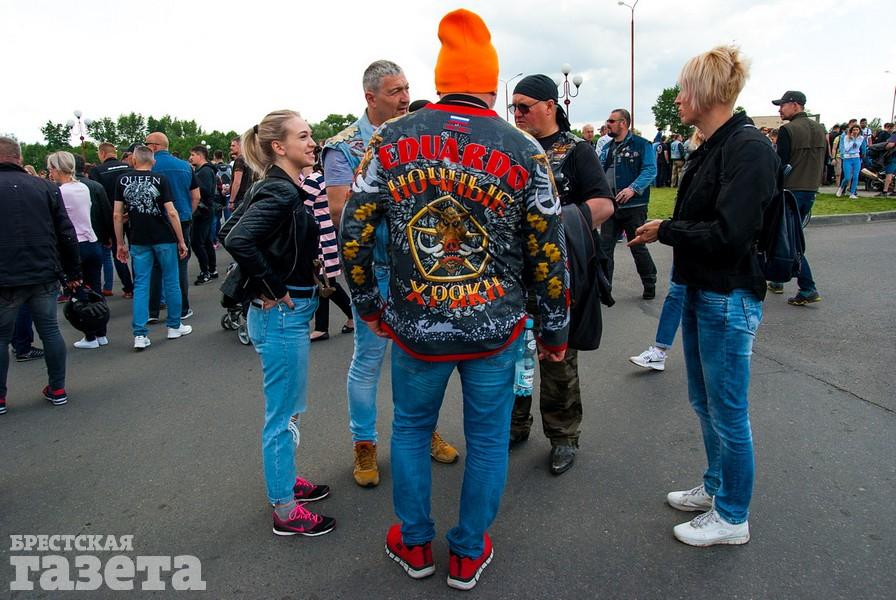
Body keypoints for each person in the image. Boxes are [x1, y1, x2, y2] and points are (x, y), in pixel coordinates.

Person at [341, 10, 569, 589]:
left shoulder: (390, 139)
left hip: (418, 326)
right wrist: (555, 329)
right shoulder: (523, 147)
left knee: (411, 430)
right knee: (487, 440)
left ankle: (415, 543)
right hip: (494, 328)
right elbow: (548, 248)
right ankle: (467, 552)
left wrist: (368, 305)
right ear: (490, 85)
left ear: (442, 80)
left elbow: (354, 232)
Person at [629, 45, 777, 547]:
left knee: (728, 412)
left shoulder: (747, 148)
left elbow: (730, 235)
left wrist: (667, 229)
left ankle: (732, 516)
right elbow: (704, 220)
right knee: (705, 402)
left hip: (727, 297)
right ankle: (715, 488)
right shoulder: (714, 145)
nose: (678, 99)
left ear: (708, 91)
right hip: (701, 290)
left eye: (684, 89)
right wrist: (668, 227)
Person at [322, 59, 458, 487]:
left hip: (420, 268)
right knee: (368, 360)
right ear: (371, 97)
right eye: (395, 91)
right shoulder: (344, 147)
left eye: (407, 89)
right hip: (376, 270)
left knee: (419, 359)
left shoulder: (419, 137)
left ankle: (421, 430)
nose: (405, 98)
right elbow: (340, 210)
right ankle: (364, 444)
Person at [224, 110, 334, 537]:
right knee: (283, 414)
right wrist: (272, 284)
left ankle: (285, 480)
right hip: (282, 314)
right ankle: (285, 508)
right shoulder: (280, 190)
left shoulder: (276, 185)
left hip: (286, 312)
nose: (312, 142)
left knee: (289, 409)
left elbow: (230, 229)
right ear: (279, 146)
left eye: (310, 135)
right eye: (303, 136)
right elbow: (236, 238)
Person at [508, 73, 614, 474]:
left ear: (551, 106)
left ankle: (564, 436)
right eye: (513, 107)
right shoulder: (512, 147)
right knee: (512, 357)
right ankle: (514, 425)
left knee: (557, 358)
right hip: (513, 276)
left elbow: (604, 204)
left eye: (525, 107)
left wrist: (559, 224)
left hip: (557, 274)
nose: (517, 114)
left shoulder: (576, 151)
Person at [0, 136, 81, 414]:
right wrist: (73, 271)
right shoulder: (45, 187)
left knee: (1, 337)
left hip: (5, 276)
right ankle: (57, 388)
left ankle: (0, 397)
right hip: (43, 270)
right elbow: (66, 232)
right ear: (19, 157)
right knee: (50, 331)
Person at [114, 146, 192, 350]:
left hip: (138, 238)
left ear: (133, 160)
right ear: (153, 161)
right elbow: (172, 212)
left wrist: (120, 242)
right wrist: (181, 240)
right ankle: (174, 325)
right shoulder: (160, 179)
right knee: (171, 280)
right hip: (163, 236)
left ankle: (140, 334)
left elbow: (117, 214)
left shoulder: (122, 180)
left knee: (141, 284)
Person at [768, 90, 827, 306]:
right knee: (787, 235)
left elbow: (780, 164)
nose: (780, 109)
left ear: (795, 105)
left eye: (782, 105)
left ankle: (808, 287)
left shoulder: (788, 130)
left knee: (790, 239)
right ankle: (777, 279)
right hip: (810, 189)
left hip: (790, 189)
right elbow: (825, 160)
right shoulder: (820, 129)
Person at [47, 151, 107, 349]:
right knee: (95, 289)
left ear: (57, 169)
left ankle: (90, 336)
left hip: (74, 245)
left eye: (51, 169)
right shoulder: (83, 187)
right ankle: (101, 333)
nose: (50, 173)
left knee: (78, 291)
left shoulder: (60, 192)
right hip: (91, 241)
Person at [599, 108, 659, 298]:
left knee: (637, 246)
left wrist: (633, 188)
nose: (608, 124)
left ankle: (649, 282)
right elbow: (600, 172)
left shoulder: (641, 145)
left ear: (623, 123)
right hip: (611, 205)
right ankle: (604, 288)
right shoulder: (607, 148)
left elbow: (650, 170)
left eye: (612, 121)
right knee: (605, 248)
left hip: (634, 206)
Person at [145, 132, 198, 322]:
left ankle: (153, 311)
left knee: (156, 266)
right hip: (182, 218)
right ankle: (183, 308)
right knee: (180, 264)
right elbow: (196, 196)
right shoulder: (185, 166)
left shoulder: (149, 167)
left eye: (146, 144)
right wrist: (188, 212)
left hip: (156, 220)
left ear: (154, 146)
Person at [303, 165, 354, 342]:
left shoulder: (313, 180)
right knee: (326, 282)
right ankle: (345, 319)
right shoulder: (319, 178)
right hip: (325, 236)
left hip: (320, 238)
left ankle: (323, 327)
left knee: (323, 282)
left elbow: (299, 208)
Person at [90, 143, 134, 298]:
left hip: (112, 217)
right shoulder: (128, 167)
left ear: (102, 153)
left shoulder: (97, 171)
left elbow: (97, 200)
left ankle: (128, 287)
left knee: (118, 251)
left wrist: (104, 228)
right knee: (136, 250)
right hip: (131, 214)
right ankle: (139, 283)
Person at [187, 145, 218, 285]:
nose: (190, 158)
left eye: (193, 155)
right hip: (205, 210)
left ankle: (206, 272)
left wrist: (193, 182)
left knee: (197, 242)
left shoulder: (205, 171)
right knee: (205, 241)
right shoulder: (205, 170)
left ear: (200, 156)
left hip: (203, 210)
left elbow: (204, 191)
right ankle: (212, 269)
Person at [228, 137, 256, 212]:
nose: (231, 148)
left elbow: (237, 182)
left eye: (233, 145)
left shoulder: (239, 160)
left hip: (240, 199)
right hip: (249, 196)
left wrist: (231, 201)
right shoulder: (250, 159)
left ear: (240, 145)